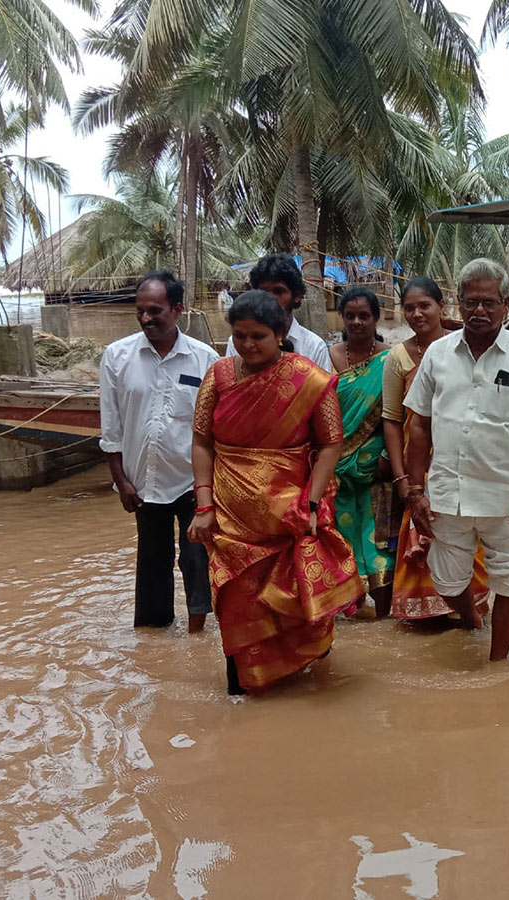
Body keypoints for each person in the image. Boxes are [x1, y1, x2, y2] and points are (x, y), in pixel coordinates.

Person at [187, 290, 363, 694]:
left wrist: (314, 504)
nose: (247, 345)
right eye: (239, 335)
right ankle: (243, 689)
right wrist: (203, 503)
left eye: (258, 336)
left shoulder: (312, 380)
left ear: (281, 333)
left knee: (296, 602)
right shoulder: (218, 375)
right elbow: (201, 441)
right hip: (229, 516)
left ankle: (303, 685)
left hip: (290, 514)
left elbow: (330, 444)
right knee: (234, 599)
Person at [403, 258, 509, 661]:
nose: (479, 311)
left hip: (508, 499)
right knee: (445, 580)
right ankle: (471, 622)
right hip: (448, 494)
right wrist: (415, 489)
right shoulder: (438, 355)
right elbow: (418, 424)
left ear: (506, 304)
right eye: (471, 302)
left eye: (489, 303)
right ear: (457, 302)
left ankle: (498, 665)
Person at [99, 271, 219, 632]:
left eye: (155, 310)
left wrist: (211, 489)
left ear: (178, 309)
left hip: (192, 480)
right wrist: (121, 482)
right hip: (142, 482)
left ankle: (198, 632)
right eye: (141, 311)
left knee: (198, 559)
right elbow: (111, 428)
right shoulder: (117, 357)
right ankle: (152, 638)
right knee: (152, 562)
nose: (146, 318)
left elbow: (215, 430)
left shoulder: (206, 360)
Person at [382, 276, 490, 620]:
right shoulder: (397, 357)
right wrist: (403, 478)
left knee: (471, 537)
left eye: (424, 305)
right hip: (419, 468)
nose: (416, 314)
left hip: (463, 464)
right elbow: (392, 419)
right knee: (427, 535)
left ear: (441, 307)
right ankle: (428, 614)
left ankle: (471, 613)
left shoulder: (464, 349)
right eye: (409, 308)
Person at [327, 286, 394, 617]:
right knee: (342, 539)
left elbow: (398, 416)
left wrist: (388, 459)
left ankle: (384, 616)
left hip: (378, 468)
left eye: (363, 315)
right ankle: (350, 613)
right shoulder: (328, 357)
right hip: (336, 468)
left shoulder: (391, 359)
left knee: (380, 540)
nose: (356, 322)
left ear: (376, 318)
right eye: (350, 315)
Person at [225, 252, 330, 369]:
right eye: (264, 291)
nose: (270, 299)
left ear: (297, 295)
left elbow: (322, 387)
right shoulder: (238, 342)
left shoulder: (314, 346)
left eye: (279, 292)